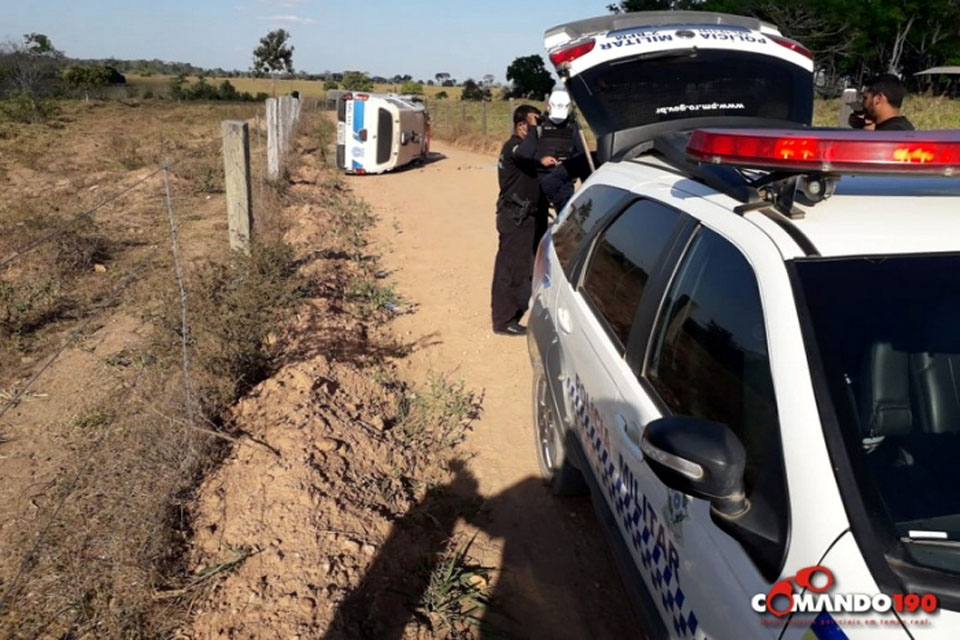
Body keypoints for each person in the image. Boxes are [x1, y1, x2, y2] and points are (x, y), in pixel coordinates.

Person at [490, 105, 549, 336]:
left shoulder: (525, 147)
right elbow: (528, 153)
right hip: (514, 217)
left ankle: (518, 308)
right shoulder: (514, 147)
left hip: (526, 216)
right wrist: (534, 130)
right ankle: (504, 321)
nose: (536, 128)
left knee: (525, 266)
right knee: (511, 267)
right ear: (521, 125)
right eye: (532, 123)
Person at [518, 89, 591, 211]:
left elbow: (582, 154)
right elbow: (524, 153)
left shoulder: (572, 126)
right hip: (538, 179)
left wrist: (569, 164)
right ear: (548, 107)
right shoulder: (538, 125)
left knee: (565, 217)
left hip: (563, 181)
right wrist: (541, 160)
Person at [849, 74, 915, 131]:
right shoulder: (902, 128)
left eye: (865, 98)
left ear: (878, 98)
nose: (863, 104)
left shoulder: (888, 134)